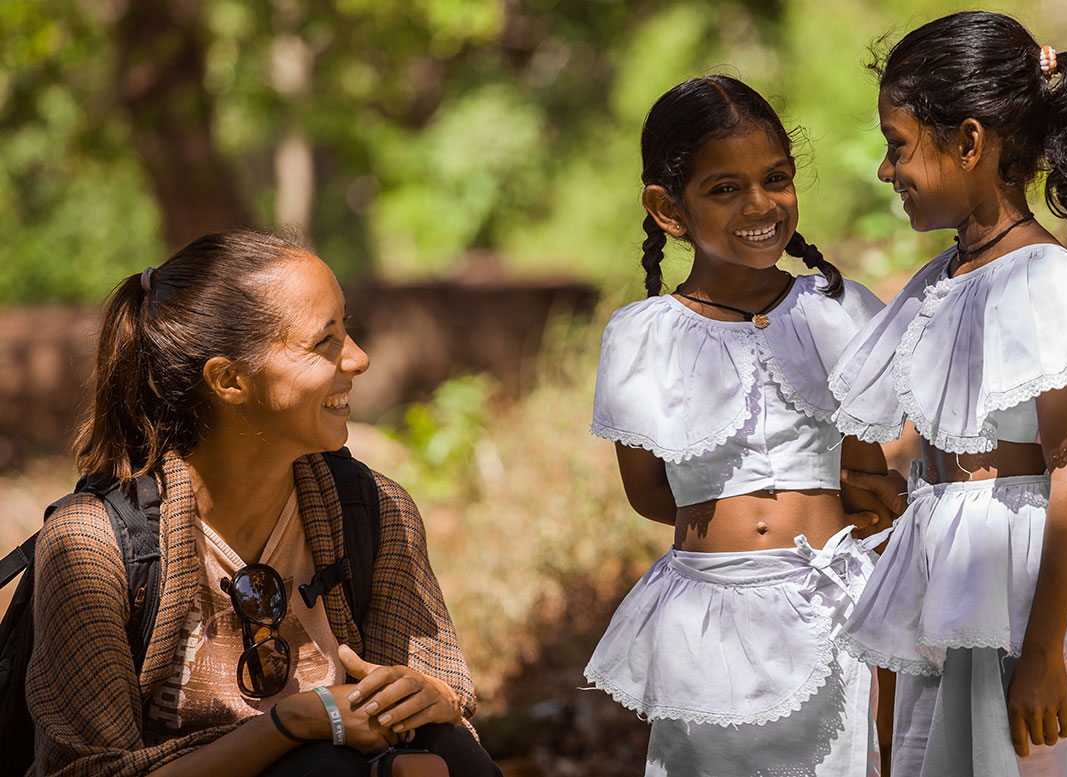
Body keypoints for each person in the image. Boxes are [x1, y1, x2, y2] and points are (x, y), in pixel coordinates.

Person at [827, 12, 1067, 776]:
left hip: (1017, 594)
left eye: (898, 145)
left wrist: (1045, 653)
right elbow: (919, 433)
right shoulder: (937, 282)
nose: (887, 171)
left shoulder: (1045, 279)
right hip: (943, 583)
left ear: (971, 141)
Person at [25, 230, 502, 777]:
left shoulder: (373, 511)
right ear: (229, 380)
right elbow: (89, 771)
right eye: (325, 341)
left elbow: (436, 708)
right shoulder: (92, 547)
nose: (359, 358)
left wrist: (424, 698)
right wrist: (290, 724)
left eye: (349, 327)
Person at [585, 75, 891, 777]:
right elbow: (648, 492)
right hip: (708, 618)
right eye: (724, 188)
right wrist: (734, 537)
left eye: (775, 178)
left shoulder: (838, 313)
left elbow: (865, 468)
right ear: (668, 209)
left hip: (829, 610)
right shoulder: (642, 336)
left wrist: (831, 506)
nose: (760, 205)